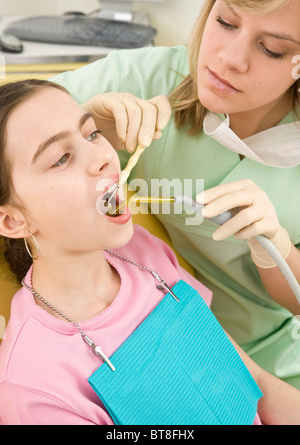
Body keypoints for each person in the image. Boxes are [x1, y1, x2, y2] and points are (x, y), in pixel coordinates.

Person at [1, 79, 300, 425]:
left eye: (92, 133)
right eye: (62, 158)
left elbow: (256, 387)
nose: (102, 156)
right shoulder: (32, 388)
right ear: (11, 221)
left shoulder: (143, 252)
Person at [51, 0, 300, 390]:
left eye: (273, 49)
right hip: (137, 353)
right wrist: (84, 128)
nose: (231, 59)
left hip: (268, 360)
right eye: (226, 22)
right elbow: (18, 132)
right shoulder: (147, 78)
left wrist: (277, 249)